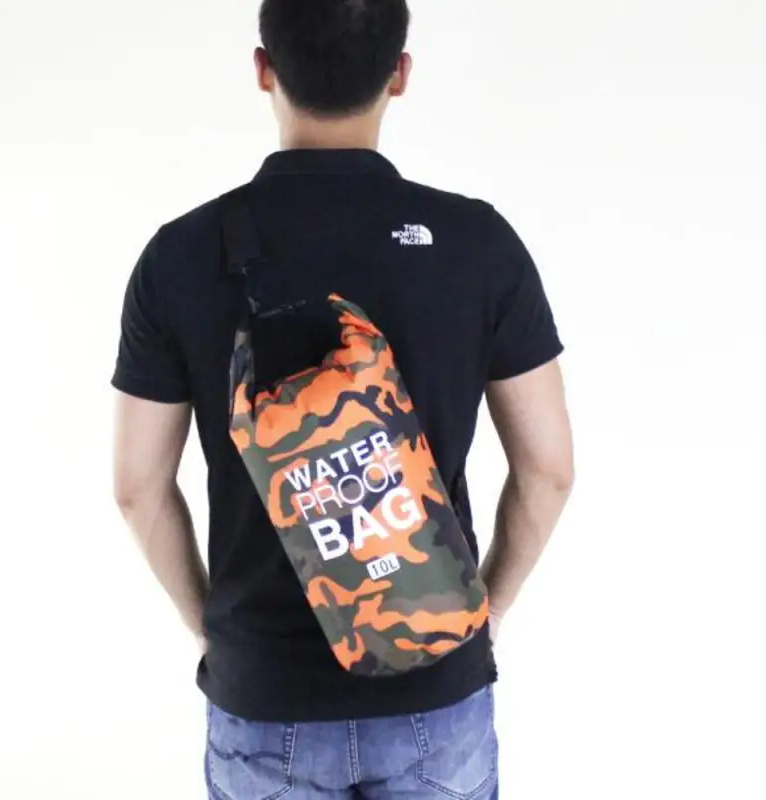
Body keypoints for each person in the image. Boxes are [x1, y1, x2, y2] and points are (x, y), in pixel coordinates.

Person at [111, 1, 574, 797]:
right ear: (400, 74)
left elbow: (135, 487)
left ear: (264, 70)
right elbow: (550, 470)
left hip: (262, 690)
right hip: (436, 682)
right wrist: (481, 615)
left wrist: (217, 633)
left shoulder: (180, 255)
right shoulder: (477, 243)